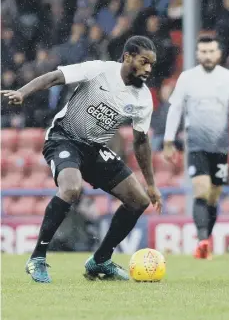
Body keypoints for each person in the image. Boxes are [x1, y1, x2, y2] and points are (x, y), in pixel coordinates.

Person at [1, 36, 162, 283]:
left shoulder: (143, 99)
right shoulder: (99, 70)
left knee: (138, 200)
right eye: (144, 62)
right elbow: (54, 77)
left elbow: (141, 142)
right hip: (63, 138)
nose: (149, 69)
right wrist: (23, 93)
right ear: (127, 56)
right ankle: (37, 258)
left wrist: (151, 184)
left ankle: (100, 261)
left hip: (94, 149)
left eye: (152, 64)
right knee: (71, 188)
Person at [163, 36, 229, 259]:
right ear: (197, 54)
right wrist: (168, 141)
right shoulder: (187, 78)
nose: (207, 55)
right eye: (203, 51)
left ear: (218, 54)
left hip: (220, 146)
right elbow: (175, 109)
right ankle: (202, 240)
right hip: (195, 144)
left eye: (211, 51)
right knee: (202, 190)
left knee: (214, 195)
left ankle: (206, 240)